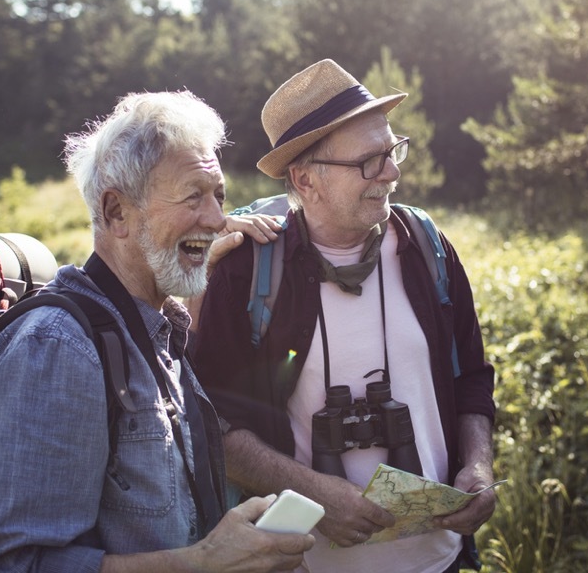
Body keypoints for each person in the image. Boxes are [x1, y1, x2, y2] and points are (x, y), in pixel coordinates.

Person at [0, 91, 314, 573]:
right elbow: (9, 566)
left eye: (219, 196)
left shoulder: (158, 332)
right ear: (116, 213)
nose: (216, 219)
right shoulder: (57, 349)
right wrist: (203, 563)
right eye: (193, 196)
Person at [194, 59, 497, 573]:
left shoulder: (427, 250)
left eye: (392, 150)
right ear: (305, 179)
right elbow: (213, 425)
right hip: (306, 564)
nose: (393, 172)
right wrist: (312, 490)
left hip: (440, 559)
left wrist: (478, 465)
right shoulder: (247, 270)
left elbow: (470, 378)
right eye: (369, 161)